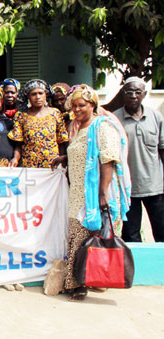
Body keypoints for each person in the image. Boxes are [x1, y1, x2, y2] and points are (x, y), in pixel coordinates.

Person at [49, 84, 131, 301]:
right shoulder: (78, 129)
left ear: (93, 105)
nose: (76, 110)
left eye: (82, 105)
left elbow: (108, 160)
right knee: (77, 238)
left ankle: (83, 284)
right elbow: (85, 155)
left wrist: (103, 193)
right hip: (77, 192)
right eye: (74, 106)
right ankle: (78, 281)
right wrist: (65, 158)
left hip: (94, 195)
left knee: (89, 238)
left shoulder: (102, 127)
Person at [113, 77, 164, 242]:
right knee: (130, 235)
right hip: (127, 188)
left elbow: (162, 150)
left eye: (137, 92)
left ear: (144, 94)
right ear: (123, 94)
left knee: (161, 231)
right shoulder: (114, 119)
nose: (133, 96)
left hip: (155, 187)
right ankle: (134, 267)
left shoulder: (156, 117)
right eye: (129, 92)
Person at [8, 79, 69, 168]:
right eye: (34, 94)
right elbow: (19, 144)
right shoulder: (21, 116)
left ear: (46, 94)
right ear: (28, 96)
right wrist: (15, 158)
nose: (38, 97)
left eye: (41, 93)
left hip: (52, 166)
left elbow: (61, 141)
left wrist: (61, 162)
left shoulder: (55, 113)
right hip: (29, 167)